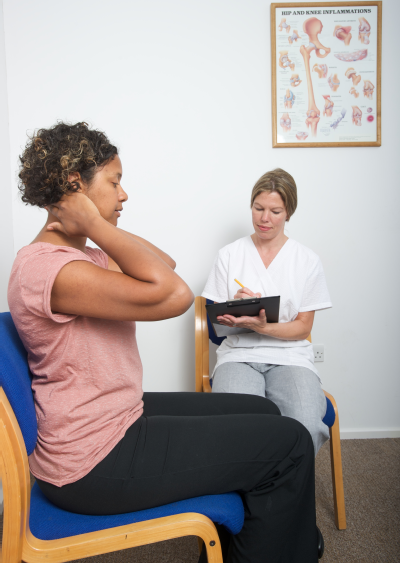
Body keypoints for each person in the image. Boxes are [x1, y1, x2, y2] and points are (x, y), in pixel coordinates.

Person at [8, 124, 321, 563]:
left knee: (263, 410)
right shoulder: (53, 270)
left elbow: (164, 265)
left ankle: (267, 539)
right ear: (75, 187)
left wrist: (92, 226)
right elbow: (174, 294)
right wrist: (96, 223)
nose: (124, 195)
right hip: (95, 459)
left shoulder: (84, 257)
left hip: (117, 416)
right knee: (289, 444)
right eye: (115, 182)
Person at [202, 168, 332, 455]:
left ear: (288, 213)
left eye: (275, 211)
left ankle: (286, 493)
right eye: (258, 208)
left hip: (291, 358)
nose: (264, 218)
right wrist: (234, 311)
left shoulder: (306, 260)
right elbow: (214, 333)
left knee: (306, 425)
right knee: (240, 427)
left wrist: (262, 326)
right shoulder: (230, 255)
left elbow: (302, 328)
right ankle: (251, 495)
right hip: (239, 356)